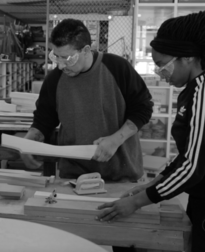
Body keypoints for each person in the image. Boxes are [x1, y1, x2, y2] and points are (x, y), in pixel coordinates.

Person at [96, 11, 205, 252]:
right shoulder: (194, 89)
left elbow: (193, 167)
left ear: (187, 57)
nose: (159, 72)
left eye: (161, 64)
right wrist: (155, 182)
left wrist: (136, 202)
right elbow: (189, 154)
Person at [21, 18, 153, 182]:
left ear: (85, 50)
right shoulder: (55, 79)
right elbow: (44, 119)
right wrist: (29, 140)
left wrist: (115, 140)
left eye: (67, 59)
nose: (61, 66)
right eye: (56, 57)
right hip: (74, 175)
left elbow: (143, 108)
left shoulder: (118, 68)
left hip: (121, 172)